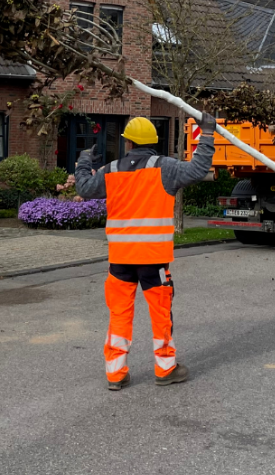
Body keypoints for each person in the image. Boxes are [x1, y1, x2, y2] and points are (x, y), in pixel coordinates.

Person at [75, 113, 216, 390]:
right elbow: (199, 169)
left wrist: (83, 160)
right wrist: (207, 134)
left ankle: (115, 375)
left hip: (120, 259)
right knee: (160, 315)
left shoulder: (111, 170)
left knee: (119, 315)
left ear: (128, 143)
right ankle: (165, 370)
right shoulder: (166, 168)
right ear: (154, 142)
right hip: (153, 260)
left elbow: (84, 187)